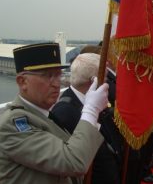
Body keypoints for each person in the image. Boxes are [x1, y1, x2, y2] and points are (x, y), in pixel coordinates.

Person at [0, 43, 109, 184]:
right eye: (48, 76)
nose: (56, 83)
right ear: (22, 82)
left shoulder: (45, 116)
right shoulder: (11, 125)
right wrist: (91, 109)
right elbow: (73, 162)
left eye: (58, 75)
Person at [51, 53, 120, 184]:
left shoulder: (92, 101)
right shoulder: (64, 112)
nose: (106, 82)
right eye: (104, 77)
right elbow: (73, 161)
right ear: (93, 81)